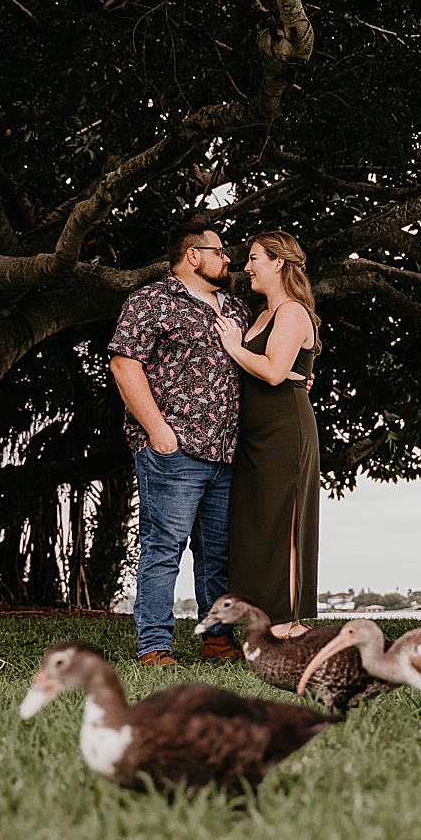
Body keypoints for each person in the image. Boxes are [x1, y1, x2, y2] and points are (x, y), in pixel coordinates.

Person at [108, 220, 250, 665]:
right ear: (193, 255)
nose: (228, 259)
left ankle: (217, 639)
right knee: (163, 548)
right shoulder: (151, 301)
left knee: (217, 552)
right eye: (219, 251)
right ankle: (154, 645)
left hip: (226, 451)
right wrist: (158, 431)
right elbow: (124, 365)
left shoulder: (237, 308)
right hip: (174, 449)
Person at [214, 231, 321, 639]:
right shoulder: (262, 315)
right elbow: (278, 368)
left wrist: (233, 346)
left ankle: (288, 623)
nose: (246, 267)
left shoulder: (292, 311)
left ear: (278, 262)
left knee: (283, 522)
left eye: (254, 258)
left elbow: (275, 372)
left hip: (283, 431)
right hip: (254, 434)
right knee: (257, 524)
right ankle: (267, 619)